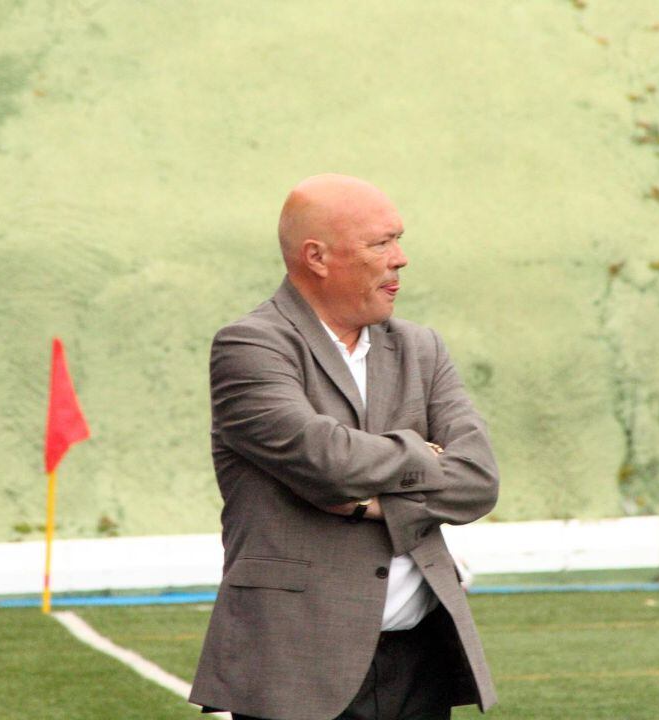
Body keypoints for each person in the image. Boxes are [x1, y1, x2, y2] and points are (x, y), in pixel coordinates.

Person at [189, 174, 500, 720]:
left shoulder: (421, 348)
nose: (400, 258)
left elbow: (478, 480)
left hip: (420, 660)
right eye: (380, 243)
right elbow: (327, 461)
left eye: (398, 240)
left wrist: (371, 503)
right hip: (298, 664)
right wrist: (423, 455)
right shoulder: (250, 346)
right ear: (317, 257)